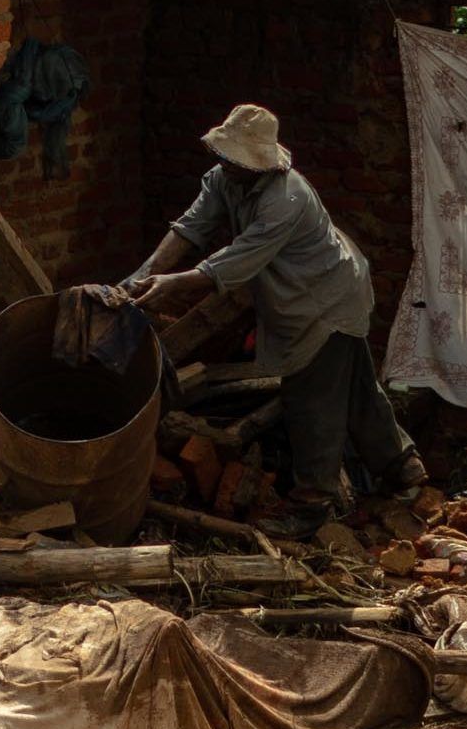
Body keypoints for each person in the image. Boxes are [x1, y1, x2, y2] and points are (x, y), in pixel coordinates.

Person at [125, 102, 425, 517]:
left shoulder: (287, 197)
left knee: (310, 394)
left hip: (326, 297)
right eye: (223, 156)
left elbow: (237, 261)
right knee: (356, 388)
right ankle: (403, 467)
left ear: (259, 163)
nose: (224, 164)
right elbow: (189, 228)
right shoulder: (223, 180)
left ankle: (314, 499)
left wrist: (170, 284)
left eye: (234, 159)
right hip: (306, 293)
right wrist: (142, 275)